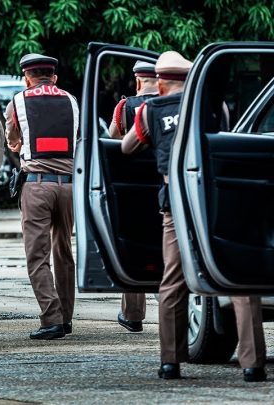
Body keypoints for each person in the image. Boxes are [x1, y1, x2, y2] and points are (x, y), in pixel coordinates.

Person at [121, 51, 267, 382]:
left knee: (172, 280)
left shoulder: (150, 110)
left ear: (160, 83)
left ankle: (170, 362)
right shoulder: (215, 107)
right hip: (216, 201)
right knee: (237, 276)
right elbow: (227, 140)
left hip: (176, 203)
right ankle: (252, 364)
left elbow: (127, 148)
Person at [5, 53, 79, 340]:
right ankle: (67, 318)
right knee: (64, 252)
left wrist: (20, 143)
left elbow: (12, 139)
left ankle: (52, 319)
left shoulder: (19, 101)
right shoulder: (71, 101)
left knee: (37, 256)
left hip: (36, 185)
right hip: (69, 187)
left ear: (27, 77)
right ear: (54, 77)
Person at [109, 60, 159, 333]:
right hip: (168, 185)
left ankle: (133, 315)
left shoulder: (125, 106)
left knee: (136, 249)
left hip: (136, 189)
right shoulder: (174, 105)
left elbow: (113, 139)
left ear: (138, 81)